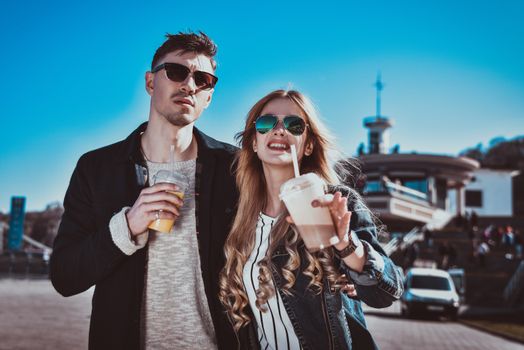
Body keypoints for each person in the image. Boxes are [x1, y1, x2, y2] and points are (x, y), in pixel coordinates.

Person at [50, 32, 239, 349]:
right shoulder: (97, 168)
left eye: (203, 79)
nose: (190, 85)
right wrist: (125, 227)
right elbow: (65, 277)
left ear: (209, 97)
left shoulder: (235, 169)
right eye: (177, 72)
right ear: (151, 83)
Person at [219, 90, 404, 349]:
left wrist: (346, 245)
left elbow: (387, 292)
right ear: (254, 142)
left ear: (308, 144)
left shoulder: (336, 202)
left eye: (294, 125)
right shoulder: (238, 217)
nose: (279, 130)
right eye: (266, 123)